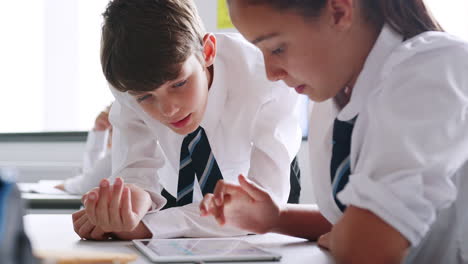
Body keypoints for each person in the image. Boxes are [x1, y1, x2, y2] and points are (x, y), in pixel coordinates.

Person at [199, 0, 468, 263]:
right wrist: (275, 218)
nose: (271, 74)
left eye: (277, 48)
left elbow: (367, 247)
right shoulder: (333, 97)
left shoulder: (431, 67)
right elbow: (354, 219)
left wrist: (351, 236)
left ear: (339, 12)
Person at [72, 0, 302, 241]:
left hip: (265, 184)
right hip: (177, 189)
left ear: (208, 52)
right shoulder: (129, 85)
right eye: (146, 97)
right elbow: (136, 169)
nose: (168, 110)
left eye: (179, 83)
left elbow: (262, 206)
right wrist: (128, 203)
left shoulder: (266, 78)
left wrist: (153, 227)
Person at [55, 105, 112, 195]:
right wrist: (99, 133)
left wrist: (65, 185)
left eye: (111, 130)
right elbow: (93, 174)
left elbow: (89, 186)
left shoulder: (120, 155)